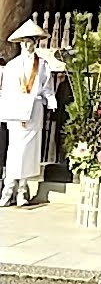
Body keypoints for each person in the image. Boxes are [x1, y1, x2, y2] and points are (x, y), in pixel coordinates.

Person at [0, 19, 57, 207]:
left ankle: (23, 190)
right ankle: (8, 190)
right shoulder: (12, 66)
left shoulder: (43, 65)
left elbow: (47, 87)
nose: (27, 45)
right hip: (16, 111)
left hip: (34, 110)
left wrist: (51, 100)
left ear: (36, 43)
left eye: (30, 41)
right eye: (24, 41)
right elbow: (7, 92)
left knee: (29, 152)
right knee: (15, 150)